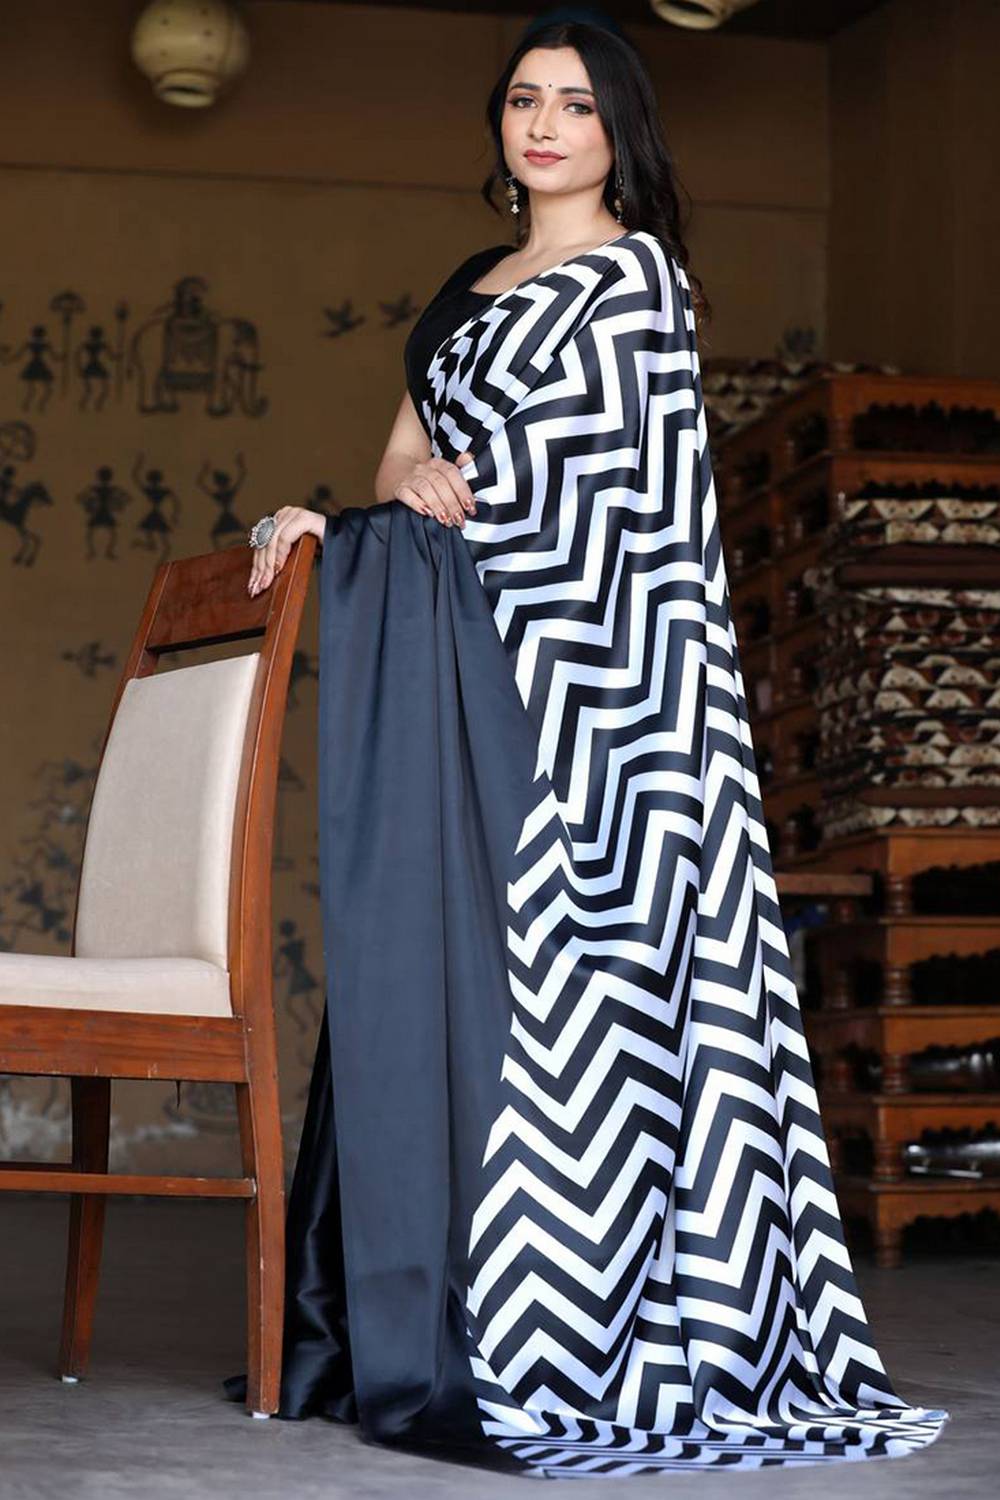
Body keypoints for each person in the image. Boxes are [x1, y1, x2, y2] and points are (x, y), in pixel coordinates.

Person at [231, 7, 949, 1478]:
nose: (545, 124)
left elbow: (610, 506)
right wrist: (383, 504)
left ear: (621, 129)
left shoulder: (635, 283)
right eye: (522, 100)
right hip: (476, 664)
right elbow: (408, 454)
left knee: (589, 1001)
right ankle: (445, 1303)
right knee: (468, 971)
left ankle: (579, 1322)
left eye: (574, 103)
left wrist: (372, 528)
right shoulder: (469, 285)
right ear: (498, 126)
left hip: (609, 702)